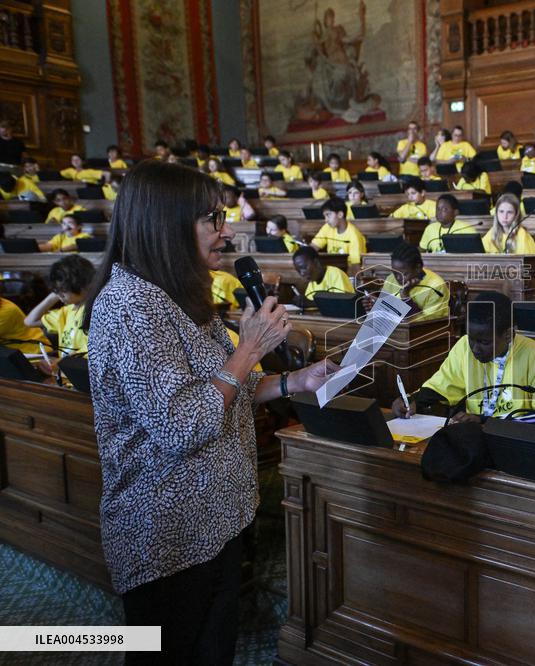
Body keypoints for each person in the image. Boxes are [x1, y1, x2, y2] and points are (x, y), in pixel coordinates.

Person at [84, 160, 336, 663]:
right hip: (168, 536)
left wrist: (293, 380)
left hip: (215, 522)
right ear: (167, 227)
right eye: (211, 220)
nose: (226, 232)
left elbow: (224, 391)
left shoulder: (176, 296)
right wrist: (248, 349)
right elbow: (183, 423)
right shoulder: (130, 306)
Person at [391, 291, 535, 420]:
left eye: (484, 343)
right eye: (471, 339)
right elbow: (442, 386)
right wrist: (413, 400)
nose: (475, 348)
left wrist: (485, 422)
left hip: (516, 439)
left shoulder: (533, 354)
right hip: (474, 435)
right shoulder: (464, 347)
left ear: (508, 335)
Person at [24, 254, 94, 358]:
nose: (59, 294)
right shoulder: (66, 312)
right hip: (64, 370)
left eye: (63, 290)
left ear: (82, 286)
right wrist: (54, 295)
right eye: (57, 291)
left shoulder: (94, 311)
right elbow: (29, 321)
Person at [373, 243, 450, 320]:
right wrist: (374, 307)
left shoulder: (436, 286)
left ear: (418, 268)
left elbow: (428, 324)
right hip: (394, 329)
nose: (398, 278)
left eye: (404, 274)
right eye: (394, 273)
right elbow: (386, 311)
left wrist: (405, 296)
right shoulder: (391, 279)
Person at [311, 197, 366, 268]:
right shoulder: (327, 227)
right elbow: (313, 247)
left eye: (328, 215)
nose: (326, 220)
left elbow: (355, 266)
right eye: (325, 216)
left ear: (340, 214)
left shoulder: (354, 235)